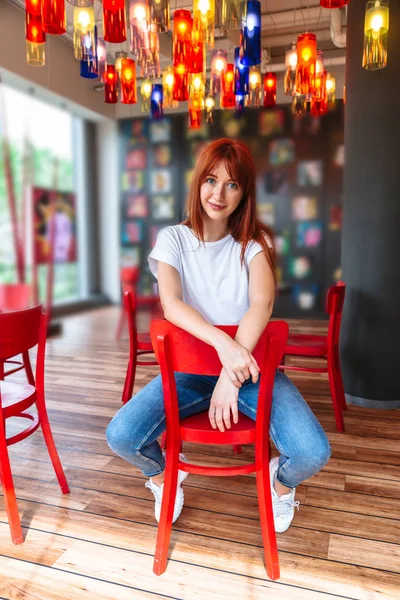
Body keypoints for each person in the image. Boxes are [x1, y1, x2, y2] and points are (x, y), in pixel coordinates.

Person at [106, 138, 331, 533]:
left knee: (313, 452)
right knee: (122, 436)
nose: (218, 193)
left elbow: (261, 305)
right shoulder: (173, 240)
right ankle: (164, 478)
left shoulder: (255, 242)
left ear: (244, 192)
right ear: (198, 182)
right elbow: (173, 305)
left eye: (232, 184)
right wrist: (224, 346)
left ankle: (280, 486)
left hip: (251, 371)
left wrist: (232, 373)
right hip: (188, 374)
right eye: (211, 180)